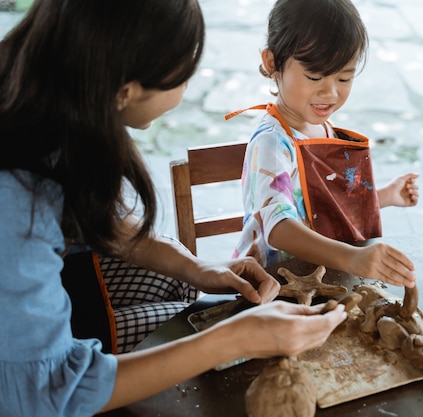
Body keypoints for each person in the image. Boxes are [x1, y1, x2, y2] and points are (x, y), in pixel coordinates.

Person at [0, 0, 347, 415]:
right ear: (124, 88)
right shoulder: (17, 201)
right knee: (201, 327)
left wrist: (199, 268)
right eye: (182, 75)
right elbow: (49, 392)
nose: (185, 91)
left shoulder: (47, 93)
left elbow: (99, 220)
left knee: (187, 290)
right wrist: (231, 340)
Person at [228, 0, 419, 288]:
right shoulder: (272, 142)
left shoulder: (324, 128)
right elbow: (278, 227)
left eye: (344, 77)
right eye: (314, 76)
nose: (329, 92)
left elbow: (329, 206)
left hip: (324, 277)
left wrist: (385, 196)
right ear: (272, 64)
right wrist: (353, 258)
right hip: (273, 286)